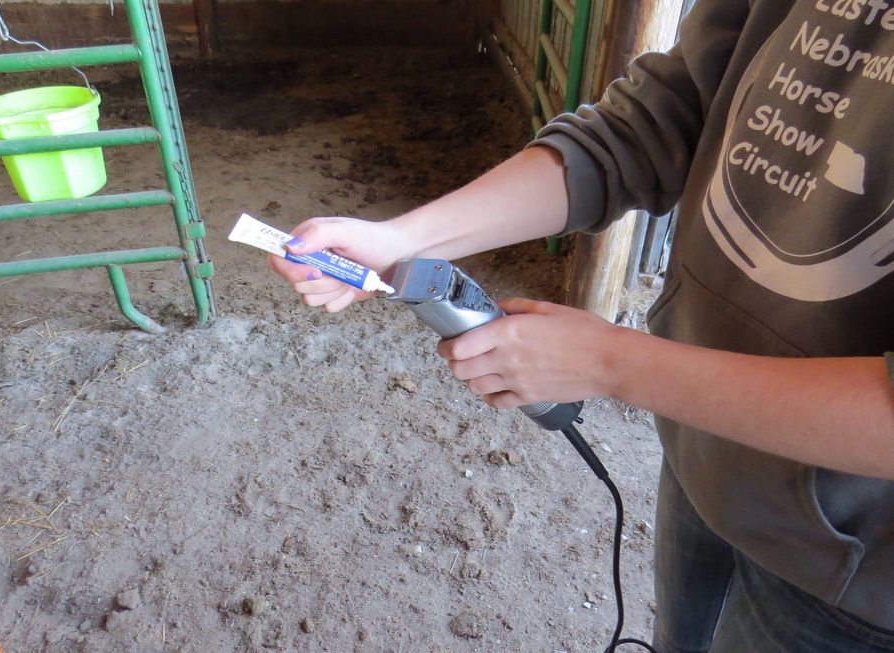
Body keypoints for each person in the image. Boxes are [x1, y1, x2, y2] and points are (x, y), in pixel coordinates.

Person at [267, 0, 894, 650]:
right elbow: (657, 118)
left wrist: (614, 364)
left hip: (851, 571)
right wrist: (400, 237)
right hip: (706, 445)